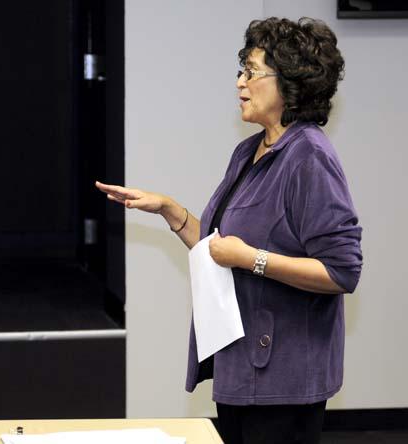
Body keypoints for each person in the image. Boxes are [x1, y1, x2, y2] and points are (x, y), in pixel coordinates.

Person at [96, 17, 362, 444]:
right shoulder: (248, 151)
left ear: (289, 82)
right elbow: (221, 248)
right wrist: (171, 211)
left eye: (251, 72)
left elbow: (342, 271)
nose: (240, 82)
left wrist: (250, 260)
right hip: (242, 367)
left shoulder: (309, 156)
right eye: (241, 70)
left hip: (285, 383)